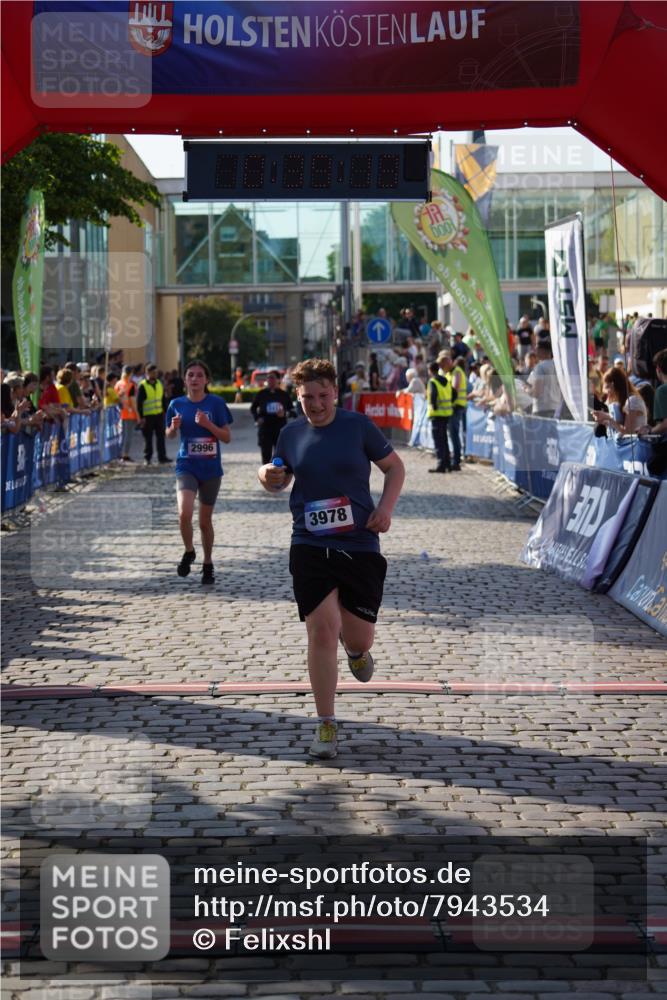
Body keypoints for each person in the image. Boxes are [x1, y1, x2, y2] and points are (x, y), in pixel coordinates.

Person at [257, 359, 405, 759]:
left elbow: (394, 468)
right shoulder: (290, 434)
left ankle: (355, 651)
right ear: (298, 396)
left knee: (357, 636)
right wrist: (264, 475)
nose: (316, 404)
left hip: (359, 543)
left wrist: (385, 509)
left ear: (335, 393)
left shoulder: (358, 427)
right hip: (308, 543)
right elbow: (277, 475)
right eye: (307, 397)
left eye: (323, 396)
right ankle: (326, 724)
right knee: (321, 631)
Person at [165, 359, 233, 585]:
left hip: (211, 469)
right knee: (184, 513)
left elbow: (226, 437)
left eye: (199, 375)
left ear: (207, 380)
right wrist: (173, 428)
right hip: (187, 465)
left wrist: (208, 425)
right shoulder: (176, 403)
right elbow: (170, 435)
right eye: (190, 375)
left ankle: (208, 563)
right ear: (185, 379)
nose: (194, 379)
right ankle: (189, 550)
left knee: (205, 521)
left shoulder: (216, 403)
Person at [250, 369, 295, 465]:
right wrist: (257, 418)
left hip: (280, 429)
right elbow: (253, 408)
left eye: (272, 378)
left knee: (280, 455)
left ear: (279, 380)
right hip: (265, 429)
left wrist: (285, 414)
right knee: (266, 455)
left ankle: (279, 475)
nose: (270, 380)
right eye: (268, 378)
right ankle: (266, 476)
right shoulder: (261, 394)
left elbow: (293, 412)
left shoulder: (284, 395)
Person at [592, 367, 648, 435]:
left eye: (607, 390)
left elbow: (627, 432)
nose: (607, 395)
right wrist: (603, 419)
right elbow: (617, 428)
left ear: (613, 385)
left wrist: (609, 418)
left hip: (635, 444)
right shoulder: (624, 402)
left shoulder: (632, 400)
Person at [137, 362, 170, 466]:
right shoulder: (143, 385)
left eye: (156, 372)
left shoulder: (159, 383)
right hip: (147, 416)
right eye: (153, 372)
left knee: (161, 437)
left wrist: (166, 412)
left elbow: (163, 399)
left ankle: (162, 457)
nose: (155, 374)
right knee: (148, 438)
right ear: (148, 373)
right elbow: (139, 403)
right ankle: (147, 458)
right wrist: (141, 417)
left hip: (159, 415)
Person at [427, 360, 454, 473]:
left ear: (430, 371)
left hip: (437, 415)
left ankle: (441, 465)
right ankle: (447, 464)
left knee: (438, 440)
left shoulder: (433, 381)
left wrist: (434, 406)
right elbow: (454, 393)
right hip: (447, 414)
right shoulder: (446, 380)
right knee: (444, 440)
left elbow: (433, 395)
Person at [526, 343, 562, 417]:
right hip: (556, 408)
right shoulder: (558, 366)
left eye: (536, 350)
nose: (535, 352)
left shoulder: (540, 367)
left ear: (541, 351)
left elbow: (537, 392)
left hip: (542, 409)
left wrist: (526, 390)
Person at [115, 365, 138, 461]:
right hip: (129, 413)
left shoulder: (118, 384)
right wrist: (138, 415)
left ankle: (120, 454)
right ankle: (125, 454)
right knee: (128, 435)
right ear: (130, 374)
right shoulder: (130, 385)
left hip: (119, 413)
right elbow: (132, 402)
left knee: (121, 435)